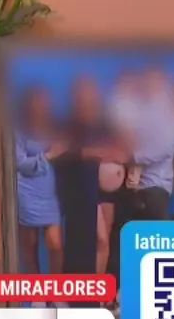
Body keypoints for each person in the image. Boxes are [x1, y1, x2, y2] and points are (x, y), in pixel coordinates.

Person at [53, 76, 127, 281]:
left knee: (103, 241)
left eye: (90, 93)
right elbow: (62, 153)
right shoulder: (67, 126)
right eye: (82, 94)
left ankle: (97, 287)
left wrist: (115, 155)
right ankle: (83, 287)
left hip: (106, 191)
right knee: (93, 240)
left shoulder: (104, 126)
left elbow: (122, 152)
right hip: (79, 189)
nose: (87, 98)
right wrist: (92, 153)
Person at [13, 87, 65, 278]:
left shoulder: (55, 128)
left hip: (50, 192)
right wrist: (48, 156)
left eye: (45, 103)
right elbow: (19, 163)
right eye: (37, 103)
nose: (42, 107)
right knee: (29, 244)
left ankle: (56, 289)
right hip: (27, 191)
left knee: (56, 244)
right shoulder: (18, 131)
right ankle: (36, 290)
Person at [125, 66, 174, 221]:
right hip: (136, 188)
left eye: (153, 82)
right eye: (146, 82)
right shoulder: (142, 112)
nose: (148, 86)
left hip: (155, 187)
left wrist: (134, 158)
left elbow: (164, 148)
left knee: (154, 231)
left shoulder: (170, 115)